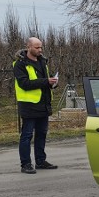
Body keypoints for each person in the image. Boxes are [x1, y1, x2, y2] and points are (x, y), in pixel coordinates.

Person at [13, 37, 59, 174]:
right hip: (29, 106)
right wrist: (46, 81)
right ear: (28, 47)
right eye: (37, 47)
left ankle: (40, 161)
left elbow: (45, 82)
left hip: (43, 105)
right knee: (26, 136)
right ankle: (26, 164)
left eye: (41, 47)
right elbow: (24, 84)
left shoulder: (42, 62)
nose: (40, 50)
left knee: (42, 134)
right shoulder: (20, 64)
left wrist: (53, 83)